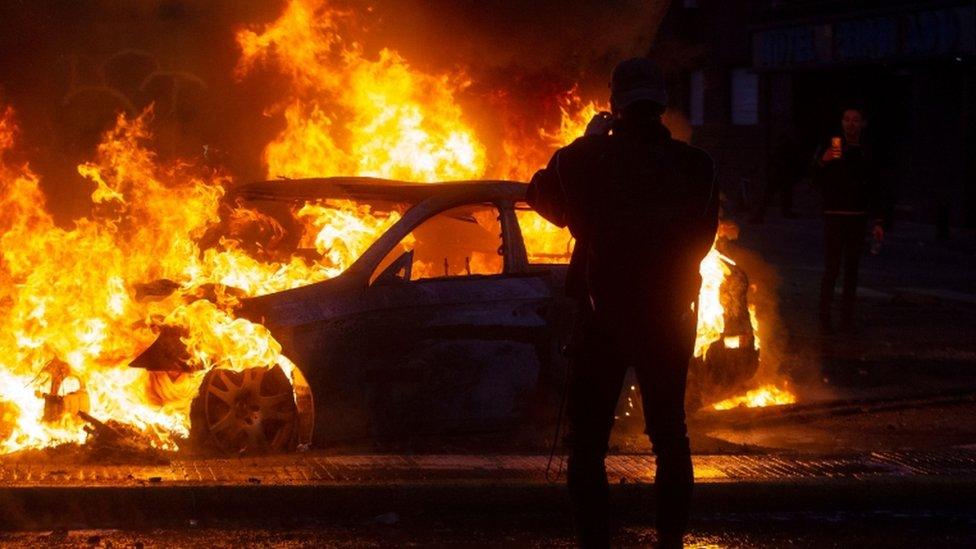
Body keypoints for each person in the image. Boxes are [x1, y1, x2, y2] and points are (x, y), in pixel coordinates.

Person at [527, 57, 717, 549]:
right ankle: (670, 542)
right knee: (670, 436)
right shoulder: (698, 166)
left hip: (602, 313)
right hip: (669, 316)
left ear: (615, 104)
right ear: (662, 105)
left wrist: (592, 143)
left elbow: (541, 192)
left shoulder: (586, 159)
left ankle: (595, 542)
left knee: (588, 443)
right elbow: (703, 238)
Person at [813, 107, 885, 333]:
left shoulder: (868, 151)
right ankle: (824, 317)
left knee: (851, 270)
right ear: (842, 123)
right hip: (834, 216)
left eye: (855, 120)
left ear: (863, 123)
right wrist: (823, 161)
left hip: (858, 217)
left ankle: (847, 318)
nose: (851, 124)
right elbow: (815, 178)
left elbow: (877, 186)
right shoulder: (833, 146)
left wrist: (879, 221)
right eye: (847, 120)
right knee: (832, 268)